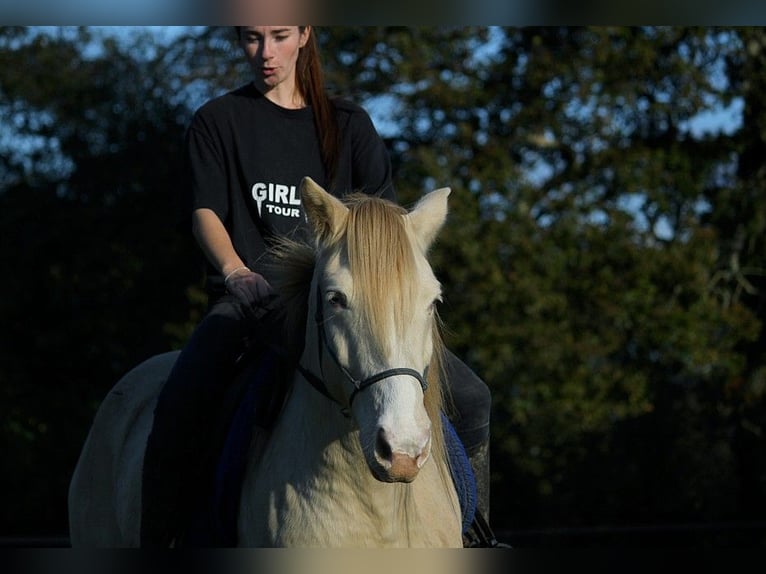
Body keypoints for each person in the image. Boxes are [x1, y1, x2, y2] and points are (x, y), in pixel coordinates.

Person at [140, 25, 492, 547]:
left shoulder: (349, 125)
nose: (265, 52)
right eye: (250, 38)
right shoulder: (218, 121)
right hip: (251, 302)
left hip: (346, 306)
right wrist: (237, 273)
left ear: (304, 34)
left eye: (279, 35)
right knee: (183, 398)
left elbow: (388, 227)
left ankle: (479, 533)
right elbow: (206, 214)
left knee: (472, 396)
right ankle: (163, 537)